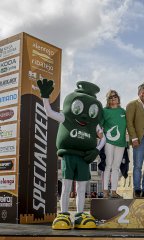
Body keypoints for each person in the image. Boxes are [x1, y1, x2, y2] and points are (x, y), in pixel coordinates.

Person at [37, 79, 105, 229]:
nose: (86, 115)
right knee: (67, 186)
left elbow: (103, 138)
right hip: (69, 155)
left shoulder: (94, 125)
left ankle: (80, 214)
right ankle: (64, 213)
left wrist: (96, 150)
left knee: (81, 188)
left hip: (84, 157)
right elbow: (49, 112)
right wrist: (45, 96)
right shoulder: (66, 117)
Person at [101, 90, 127, 198]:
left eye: (115, 96)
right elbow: (99, 126)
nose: (113, 98)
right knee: (108, 165)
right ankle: (105, 190)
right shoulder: (104, 111)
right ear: (108, 100)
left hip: (121, 142)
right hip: (109, 141)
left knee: (116, 167)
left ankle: (114, 191)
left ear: (118, 98)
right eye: (111, 97)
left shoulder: (123, 111)